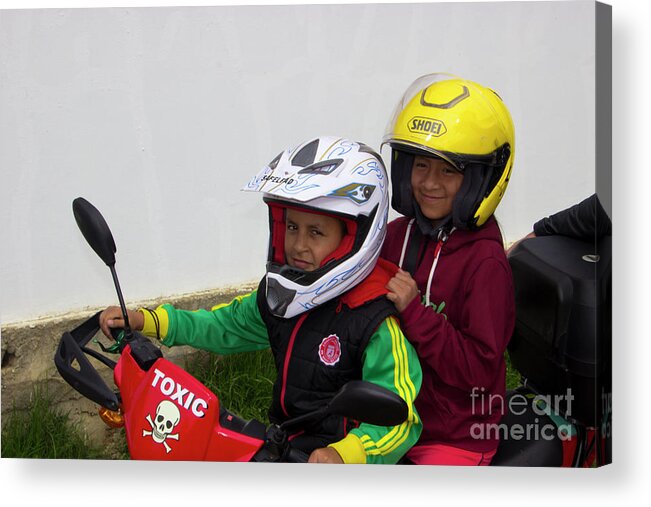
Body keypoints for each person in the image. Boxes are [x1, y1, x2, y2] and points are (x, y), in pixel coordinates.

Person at [99, 136, 422, 464]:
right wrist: (150, 321)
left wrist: (348, 453)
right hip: (283, 445)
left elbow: (401, 421)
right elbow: (224, 325)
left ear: (354, 237)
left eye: (316, 232)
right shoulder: (283, 297)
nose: (297, 245)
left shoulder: (374, 320)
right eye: (292, 226)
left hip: (340, 465)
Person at [379, 73, 516, 465]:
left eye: (449, 170)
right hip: (397, 415)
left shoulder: (485, 264)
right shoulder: (397, 235)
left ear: (478, 180)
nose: (429, 183)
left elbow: (477, 371)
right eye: (421, 165)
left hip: (456, 434)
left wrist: (416, 313)